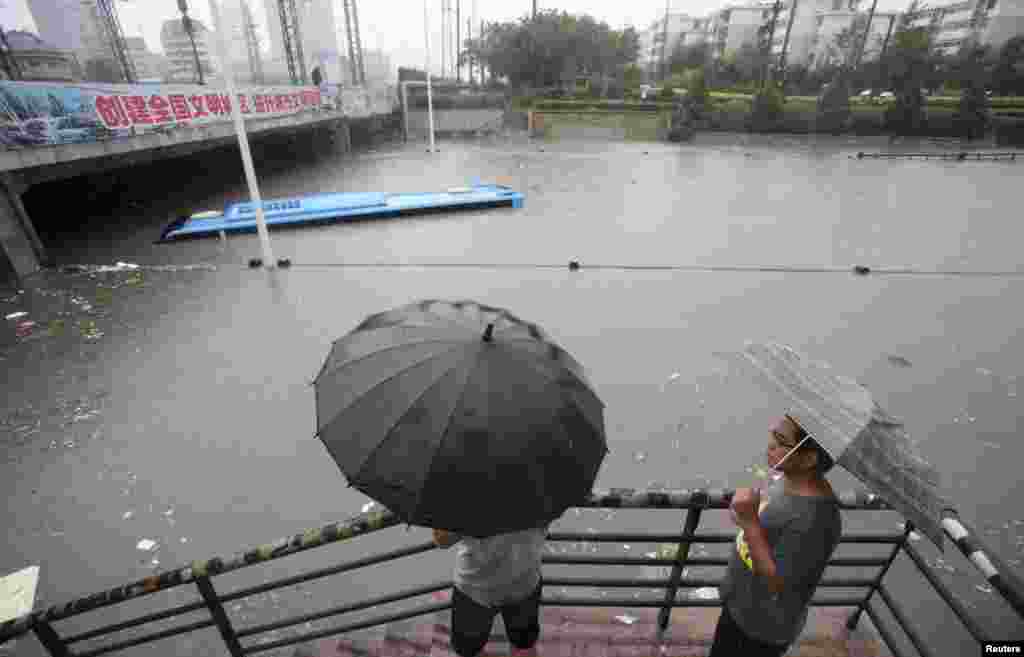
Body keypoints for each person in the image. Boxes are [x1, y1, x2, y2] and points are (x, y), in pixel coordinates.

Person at [712, 414, 843, 656]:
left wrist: (750, 523)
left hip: (760, 629)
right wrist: (746, 516)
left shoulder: (815, 520)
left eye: (781, 440)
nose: (770, 443)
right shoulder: (789, 479)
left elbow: (778, 585)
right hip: (742, 604)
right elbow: (771, 529)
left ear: (809, 459)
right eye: (774, 433)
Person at [432, 525, 548, 657]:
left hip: (475, 586)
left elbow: (441, 540)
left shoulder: (463, 504)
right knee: (523, 639)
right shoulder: (542, 503)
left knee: (467, 647)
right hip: (524, 579)